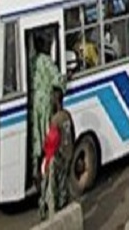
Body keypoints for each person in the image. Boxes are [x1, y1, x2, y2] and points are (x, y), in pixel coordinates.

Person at [31, 32, 65, 186]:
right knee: (47, 138)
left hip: (34, 103)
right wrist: (66, 78)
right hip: (45, 103)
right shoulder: (47, 61)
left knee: (36, 137)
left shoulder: (32, 61)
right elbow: (58, 79)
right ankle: (45, 172)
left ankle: (35, 170)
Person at [40, 86, 74, 220]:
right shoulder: (67, 115)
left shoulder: (55, 120)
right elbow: (72, 134)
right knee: (64, 182)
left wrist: (47, 161)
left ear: (55, 101)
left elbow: (51, 144)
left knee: (53, 186)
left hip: (59, 155)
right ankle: (64, 205)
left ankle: (53, 212)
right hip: (68, 153)